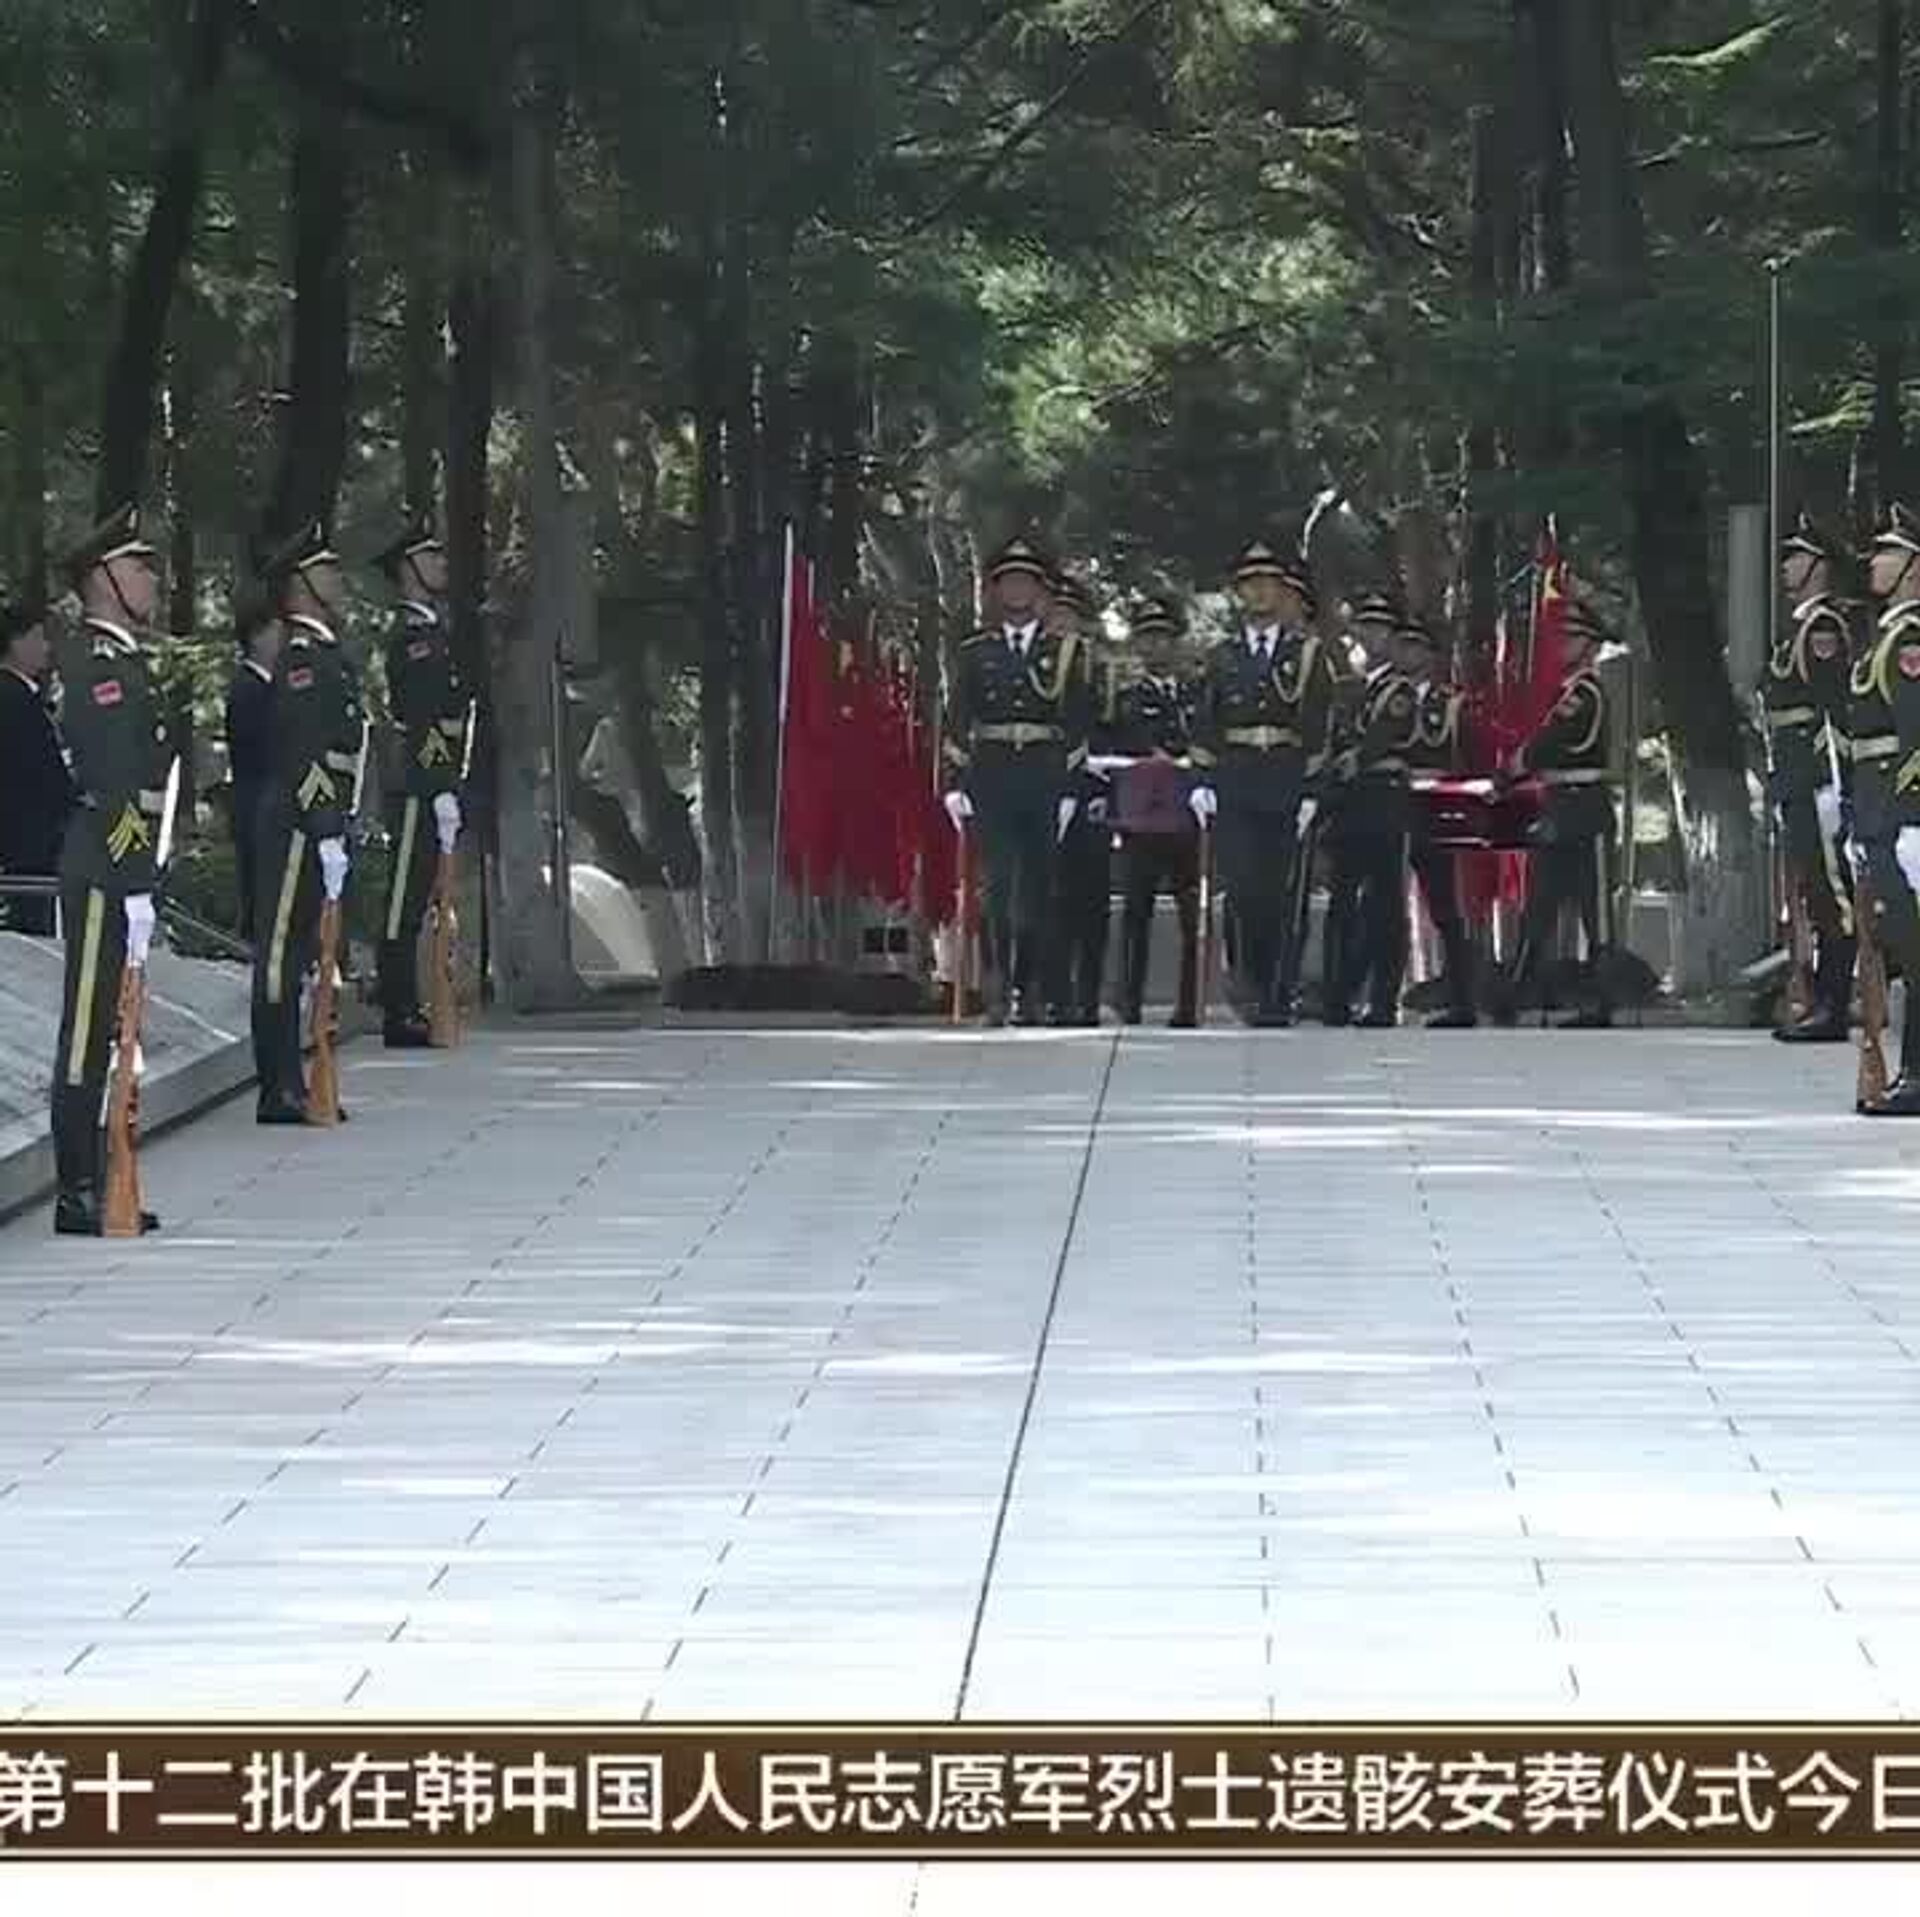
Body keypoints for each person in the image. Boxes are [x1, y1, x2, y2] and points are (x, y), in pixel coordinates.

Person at [48, 504, 172, 1236]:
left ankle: (99, 1175)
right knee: (87, 1030)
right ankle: (77, 1188)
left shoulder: (122, 663)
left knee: (109, 1027)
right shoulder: (94, 666)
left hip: (117, 864)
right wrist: (132, 874)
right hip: (102, 867)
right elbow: (107, 784)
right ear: (102, 578)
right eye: (136, 566)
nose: (150, 579)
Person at [942, 537, 1094, 1026]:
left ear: (1040, 591)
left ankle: (1028, 988)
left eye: (1026, 582)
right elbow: (956, 719)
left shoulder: (1066, 652)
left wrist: (1069, 790)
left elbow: (1077, 725)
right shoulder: (975, 652)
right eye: (1009, 582)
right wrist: (954, 784)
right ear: (996, 591)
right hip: (992, 776)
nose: (1017, 590)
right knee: (997, 887)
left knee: (1038, 892)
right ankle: (996, 987)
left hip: (1043, 778)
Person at [1189, 539, 1336, 1026]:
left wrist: (1312, 791)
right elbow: (1205, 722)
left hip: (1284, 779)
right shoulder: (1221, 656)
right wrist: (1202, 780)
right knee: (1243, 888)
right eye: (1250, 585)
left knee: (1282, 892)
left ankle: (1277, 991)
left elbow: (1318, 726)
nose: (1260, 593)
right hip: (1236, 779)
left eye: (1268, 584)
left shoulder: (1306, 654)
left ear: (1281, 591)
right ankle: (1248, 979)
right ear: (1239, 593)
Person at [250, 521, 364, 1125]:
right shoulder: (300, 657)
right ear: (300, 585)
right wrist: (323, 824)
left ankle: (296, 1079)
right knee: (280, 956)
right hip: (296, 823)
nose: (336, 579)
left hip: (318, 818)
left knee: (303, 951)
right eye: (324, 570)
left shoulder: (325, 654)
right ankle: (279, 1085)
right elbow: (304, 752)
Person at [1498, 598, 1617, 1028]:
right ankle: (1515, 993)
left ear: (1590, 645)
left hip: (1584, 808)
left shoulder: (1584, 692)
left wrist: (1515, 765)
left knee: (1594, 912)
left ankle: (1600, 1002)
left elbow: (1552, 740)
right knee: (1539, 905)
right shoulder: (1569, 691)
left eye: (1572, 638)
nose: (1563, 644)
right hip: (1560, 806)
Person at [372, 512, 468, 1048]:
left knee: (420, 893)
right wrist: (439, 785)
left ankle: (413, 1004)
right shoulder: (413, 639)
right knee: (404, 901)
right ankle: (399, 1008)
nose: (442, 563)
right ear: (409, 569)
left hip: (432, 779)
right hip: (416, 784)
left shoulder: (433, 632)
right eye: (430, 556)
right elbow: (424, 718)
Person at [1766, 512, 1856, 1043]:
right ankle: (1821, 998)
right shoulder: (1799, 628)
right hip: (1796, 777)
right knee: (1814, 893)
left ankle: (1834, 1003)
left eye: (1795, 557)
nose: (1785, 567)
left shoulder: (1822, 628)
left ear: (1819, 566)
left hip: (1818, 778)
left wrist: (1830, 781)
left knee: (1832, 893)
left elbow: (1832, 709)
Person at [1324, 594, 1422, 1027]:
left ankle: (1383, 1000)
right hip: (1351, 804)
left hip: (1383, 800)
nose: (1374, 637)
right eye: (1367, 628)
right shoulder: (1354, 688)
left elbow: (1378, 739)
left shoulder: (1398, 690)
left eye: (1383, 630)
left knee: (1385, 904)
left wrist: (1353, 759)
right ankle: (1338, 994)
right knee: (1343, 903)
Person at [1851, 503, 1920, 1115]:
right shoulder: (1891, 633)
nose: (1875, 562)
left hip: (1904, 815)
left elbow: (1914, 734)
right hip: (1882, 814)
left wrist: (1900, 814)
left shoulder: (1909, 639)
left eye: (1889, 553)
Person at [1109, 594, 1201, 1027]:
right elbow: (1121, 744)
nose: (1156, 646)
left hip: (1188, 816)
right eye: (1148, 638)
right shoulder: (1125, 698)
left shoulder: (1197, 694)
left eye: (1163, 637)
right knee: (1136, 912)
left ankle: (1189, 1003)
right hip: (1142, 819)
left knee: (1192, 914)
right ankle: (1129, 1001)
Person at [1404, 610, 1478, 1027]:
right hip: (1393, 806)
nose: (1408, 654)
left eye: (1417, 647)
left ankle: (1462, 999)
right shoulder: (1385, 696)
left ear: (1432, 655)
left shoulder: (1452, 703)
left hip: (1435, 810)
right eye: (1404, 645)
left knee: (1445, 909)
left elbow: (1467, 757)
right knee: (1381, 903)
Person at [1047, 571, 1114, 1025]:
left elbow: (1118, 733)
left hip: (1091, 798)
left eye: (1069, 616)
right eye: (1056, 616)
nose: (1062, 624)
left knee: (1091, 904)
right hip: (1044, 793)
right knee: (1048, 902)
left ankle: (1087, 998)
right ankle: (1051, 995)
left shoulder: (1101, 673)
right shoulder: (1030, 665)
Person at [0, 596, 77, 936]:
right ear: (16, 642)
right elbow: (42, 774)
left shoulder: (21, 697)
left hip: (23, 839)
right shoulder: (15, 701)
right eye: (39, 637)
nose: (47, 647)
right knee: (30, 933)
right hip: (28, 841)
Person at [224, 592, 281, 944]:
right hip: (256, 804)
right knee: (260, 894)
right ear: (257, 636)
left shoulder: (270, 687)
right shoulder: (248, 689)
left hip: (265, 804)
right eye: (276, 630)